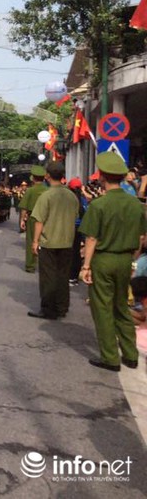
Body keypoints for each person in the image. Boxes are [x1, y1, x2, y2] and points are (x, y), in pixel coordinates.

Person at [79, 152, 147, 372]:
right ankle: (130, 355)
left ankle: (110, 357)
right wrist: (133, 261)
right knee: (121, 307)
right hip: (125, 260)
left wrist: (86, 266)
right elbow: (140, 238)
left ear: (102, 178)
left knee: (102, 308)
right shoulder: (136, 204)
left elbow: (91, 238)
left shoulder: (99, 205)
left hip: (104, 260)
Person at [27, 161, 79, 320]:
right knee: (63, 276)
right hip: (67, 242)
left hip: (49, 242)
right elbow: (76, 216)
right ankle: (62, 307)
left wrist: (35, 241)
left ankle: (48, 309)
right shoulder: (71, 195)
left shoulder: (47, 196)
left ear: (47, 176)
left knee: (48, 277)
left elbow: (39, 221)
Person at [18, 166, 48, 273]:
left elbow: (24, 207)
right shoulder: (48, 190)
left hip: (33, 218)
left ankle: (30, 266)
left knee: (31, 240)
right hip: (46, 219)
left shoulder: (30, 191)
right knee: (45, 241)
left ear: (33, 178)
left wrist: (22, 220)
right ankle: (45, 265)